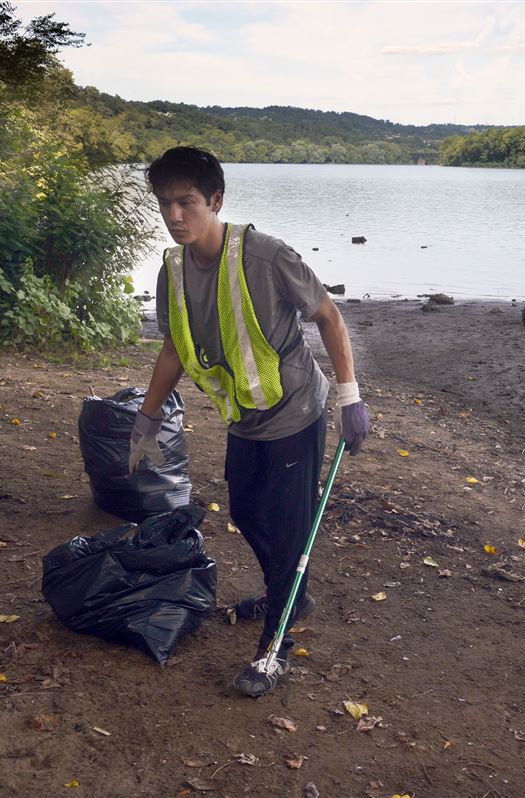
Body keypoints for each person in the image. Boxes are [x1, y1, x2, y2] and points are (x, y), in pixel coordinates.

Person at [129, 146, 369, 697]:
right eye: (165, 204)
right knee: (246, 511)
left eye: (187, 202)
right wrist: (145, 416)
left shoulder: (264, 256)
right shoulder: (171, 270)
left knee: (288, 531)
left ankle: (275, 643)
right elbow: (172, 349)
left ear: (215, 200)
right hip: (243, 416)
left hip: (296, 411)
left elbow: (328, 315)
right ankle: (291, 592)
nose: (174, 216)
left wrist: (349, 396)